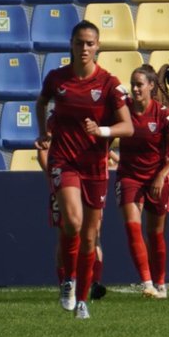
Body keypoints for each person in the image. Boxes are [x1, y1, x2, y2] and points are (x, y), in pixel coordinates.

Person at [36, 20, 133, 320]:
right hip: (64, 160)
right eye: (79, 42)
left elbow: (127, 126)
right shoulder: (57, 78)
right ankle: (68, 279)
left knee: (90, 237)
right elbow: (41, 103)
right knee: (73, 222)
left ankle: (81, 300)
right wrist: (43, 132)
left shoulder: (108, 83)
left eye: (90, 43)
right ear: (71, 44)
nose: (85, 48)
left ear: (98, 46)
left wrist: (101, 131)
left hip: (95, 165)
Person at [114, 64, 169, 299]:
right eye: (133, 84)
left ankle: (160, 282)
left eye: (139, 84)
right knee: (132, 226)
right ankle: (147, 283)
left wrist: (162, 175)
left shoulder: (164, 116)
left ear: (151, 86)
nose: (135, 89)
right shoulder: (123, 110)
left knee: (155, 233)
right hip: (129, 176)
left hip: (156, 178)